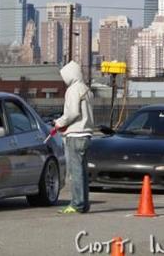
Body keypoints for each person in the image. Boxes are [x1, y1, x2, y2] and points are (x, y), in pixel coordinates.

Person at [50, 61, 94, 214]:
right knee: (82, 172)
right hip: (86, 134)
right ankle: (84, 203)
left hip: (75, 134)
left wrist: (59, 123)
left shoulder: (73, 90)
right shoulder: (86, 89)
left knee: (75, 172)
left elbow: (73, 113)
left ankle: (77, 204)